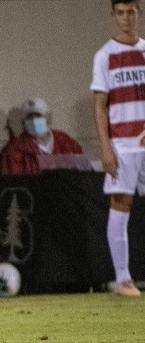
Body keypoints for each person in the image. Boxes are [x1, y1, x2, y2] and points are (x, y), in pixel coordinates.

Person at [91, 0, 145, 296]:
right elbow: (100, 106)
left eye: (131, 12)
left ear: (140, 11)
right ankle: (123, 277)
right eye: (120, 13)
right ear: (113, 15)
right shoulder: (105, 56)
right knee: (120, 205)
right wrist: (106, 147)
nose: (126, 19)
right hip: (122, 146)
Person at [0, 98, 83, 176]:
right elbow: (12, 184)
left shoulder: (68, 144)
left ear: (49, 117)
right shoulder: (14, 150)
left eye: (38, 116)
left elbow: (85, 176)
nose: (34, 120)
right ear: (23, 122)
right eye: (30, 117)